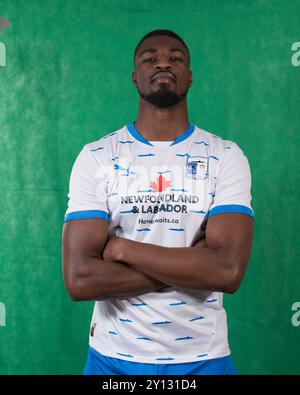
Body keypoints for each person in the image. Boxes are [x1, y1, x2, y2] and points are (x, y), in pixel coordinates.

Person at [62, 29, 254, 375]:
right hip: (112, 360)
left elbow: (227, 271)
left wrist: (121, 249)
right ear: (136, 78)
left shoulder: (225, 156)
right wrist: (193, 265)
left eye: (176, 57)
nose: (163, 61)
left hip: (204, 358)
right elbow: (80, 279)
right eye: (150, 58)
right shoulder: (97, 156)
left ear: (190, 77)